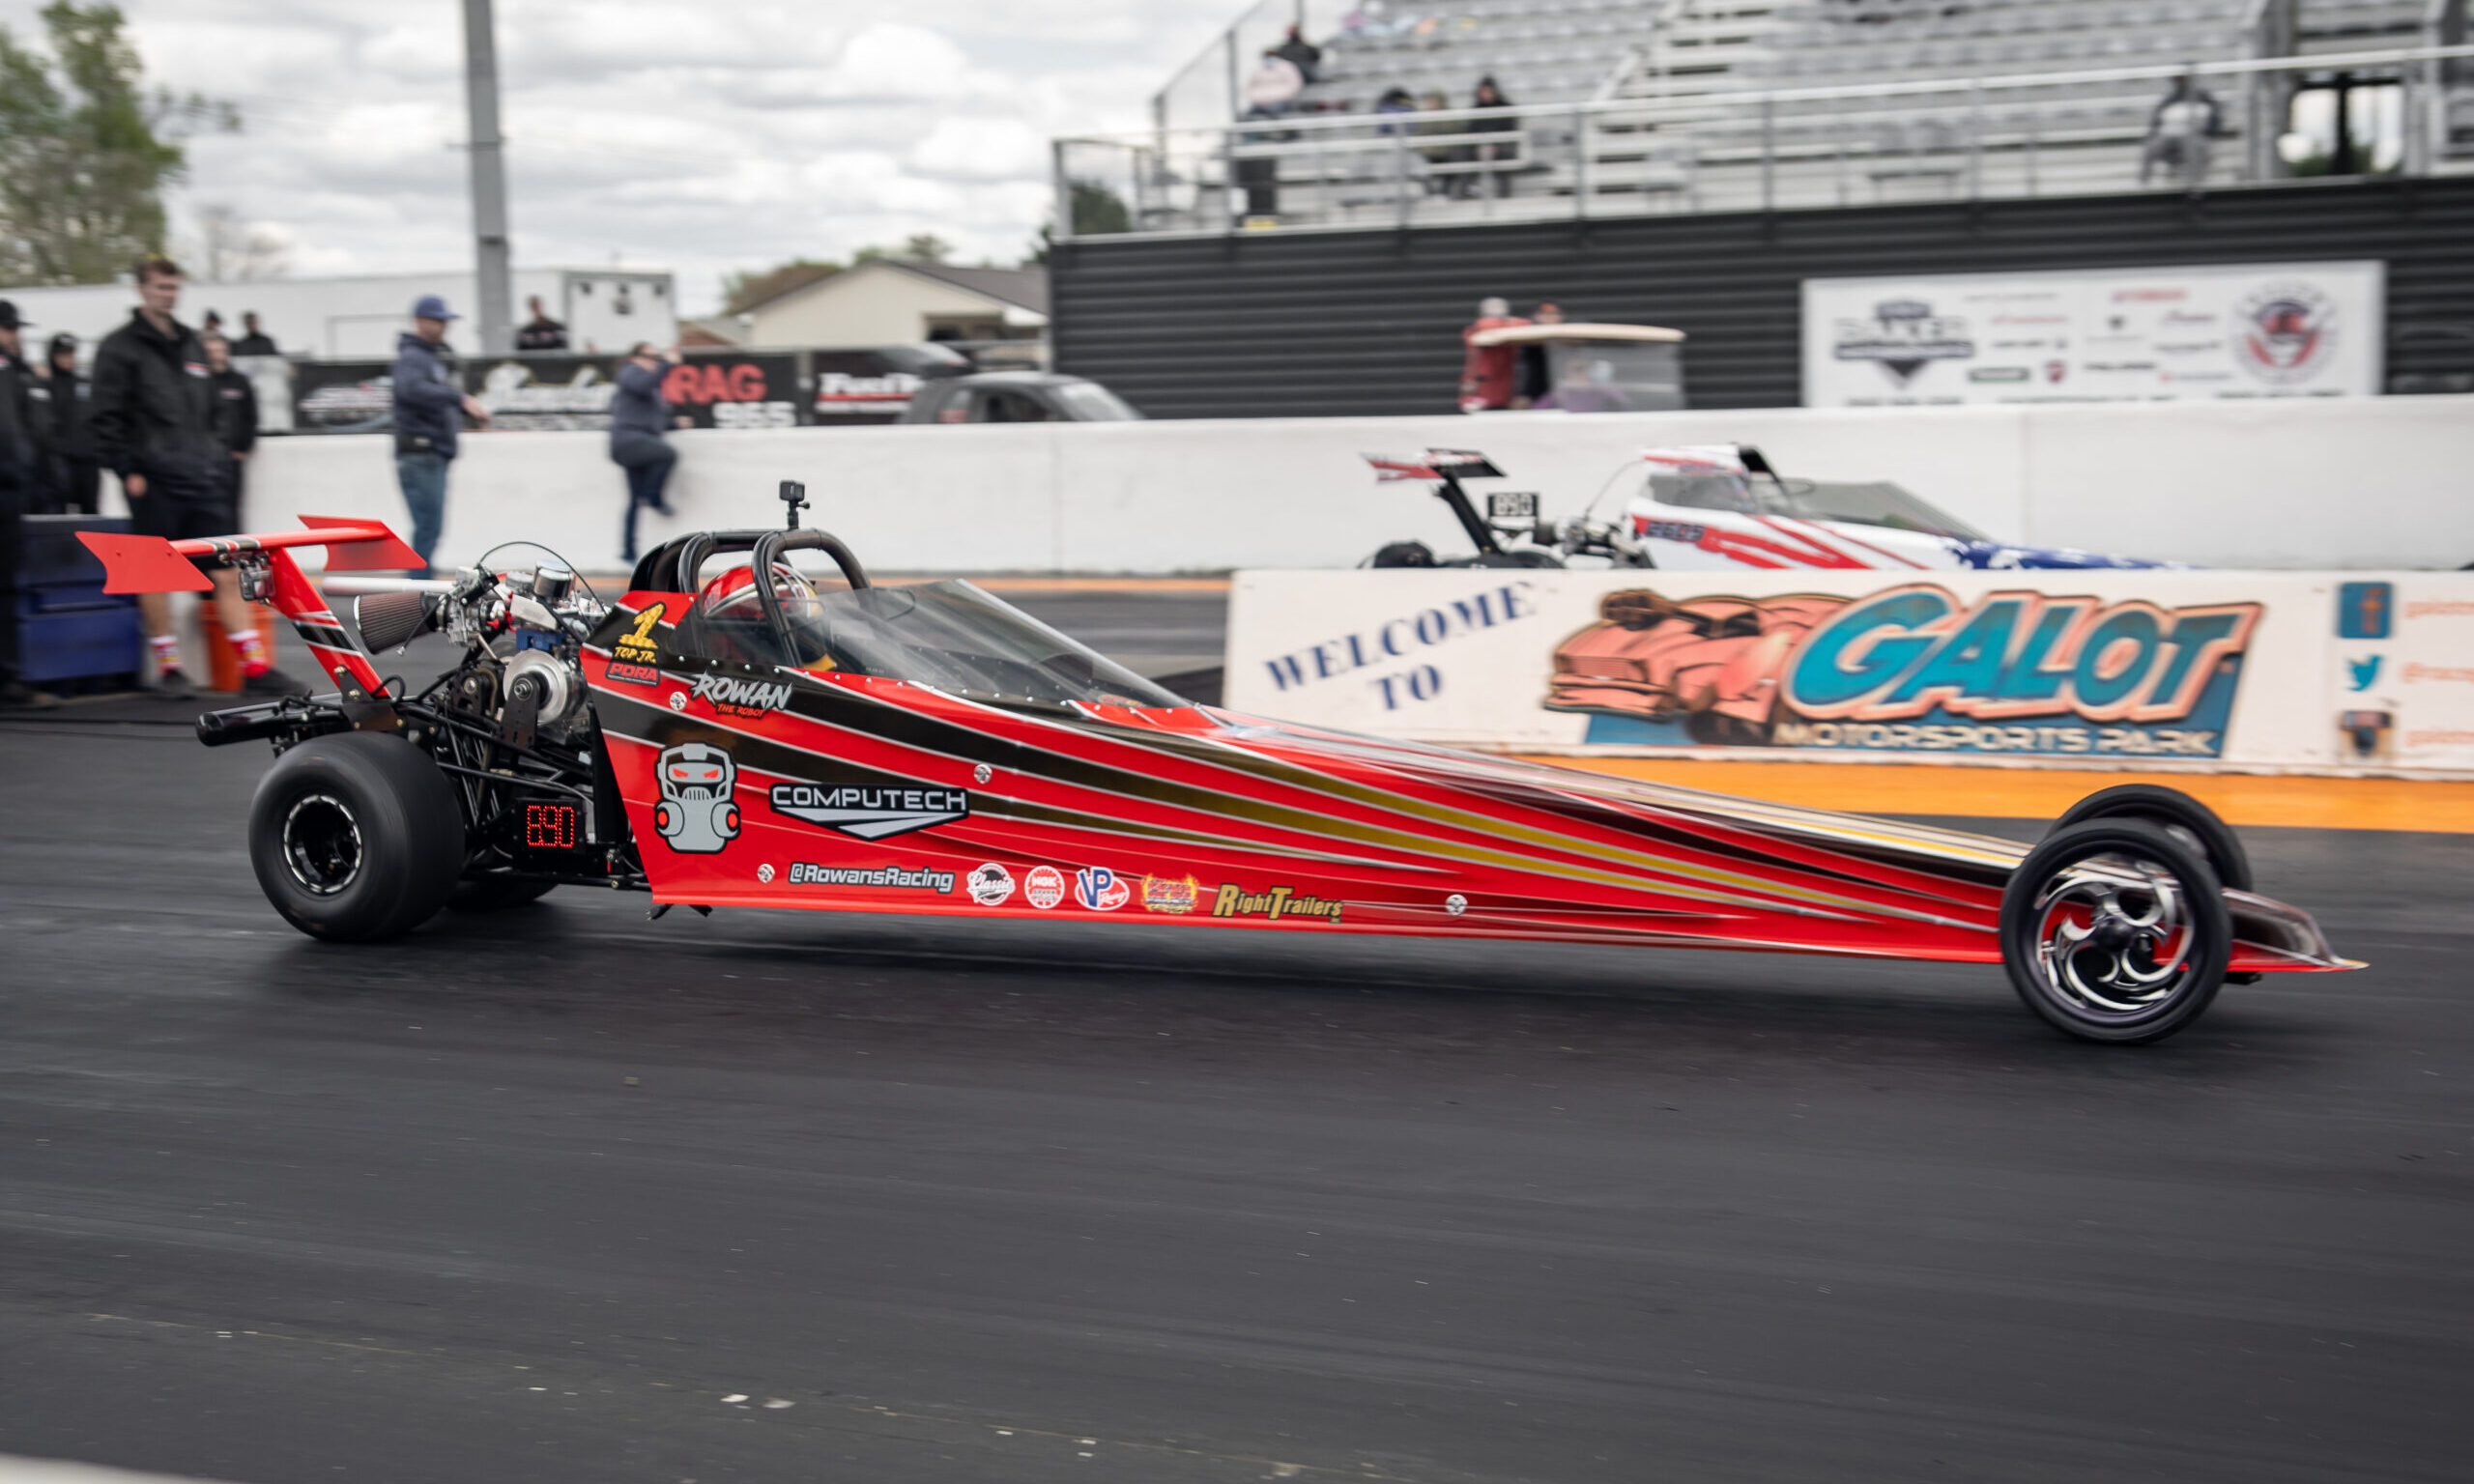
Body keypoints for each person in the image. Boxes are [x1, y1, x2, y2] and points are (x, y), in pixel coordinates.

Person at [90, 255, 300, 699]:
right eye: (160, 287)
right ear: (142, 289)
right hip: (153, 479)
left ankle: (254, 668)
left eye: (173, 287)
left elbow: (213, 409)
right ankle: (169, 669)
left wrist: (217, 460)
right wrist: (128, 468)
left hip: (204, 477)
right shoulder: (118, 348)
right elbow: (105, 418)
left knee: (227, 571)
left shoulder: (192, 344)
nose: (168, 294)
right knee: (154, 575)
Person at [389, 293, 491, 572]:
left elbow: (427, 395)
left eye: (444, 321)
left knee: (429, 529)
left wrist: (460, 407)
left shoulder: (428, 356)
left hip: (430, 453)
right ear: (420, 321)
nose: (443, 326)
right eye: (437, 320)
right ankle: (416, 597)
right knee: (427, 529)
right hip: (421, 453)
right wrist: (458, 399)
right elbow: (411, 390)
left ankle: (417, 592)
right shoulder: (414, 356)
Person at [0, 300, 56, 708]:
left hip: (11, 490)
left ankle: (9, 676)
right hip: (8, 485)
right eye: (9, 328)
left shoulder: (15, 373)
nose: (15, 336)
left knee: (7, 587)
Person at [610, 342, 681, 565]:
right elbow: (643, 385)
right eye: (651, 357)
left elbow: (652, 421)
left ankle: (628, 550)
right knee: (667, 454)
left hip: (639, 442)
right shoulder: (631, 373)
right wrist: (668, 364)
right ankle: (654, 496)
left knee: (634, 500)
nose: (656, 362)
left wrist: (674, 423)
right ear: (635, 358)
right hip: (629, 441)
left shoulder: (649, 389)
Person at [34, 333, 100, 516]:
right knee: (58, 514)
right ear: (53, 357)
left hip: (88, 462)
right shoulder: (44, 386)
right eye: (63, 355)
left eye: (71, 354)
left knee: (91, 513)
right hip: (61, 462)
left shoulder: (84, 383)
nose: (68, 359)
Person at [204, 334, 258, 522]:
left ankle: (233, 550)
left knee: (231, 510)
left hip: (231, 460)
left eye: (220, 351)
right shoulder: (198, 384)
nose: (217, 356)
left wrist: (243, 448)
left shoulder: (239, 382)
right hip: (202, 461)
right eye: (211, 352)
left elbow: (250, 417)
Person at [2142, 72, 2224, 187]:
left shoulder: (2203, 97)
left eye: (2184, 79)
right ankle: (2144, 182)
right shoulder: (2169, 100)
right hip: (2169, 136)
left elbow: (2215, 120)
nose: (2181, 83)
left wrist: (2207, 134)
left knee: (2191, 144)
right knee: (2150, 147)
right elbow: (2156, 123)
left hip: (2194, 135)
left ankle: (2194, 184)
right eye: (2178, 80)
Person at [1466, 76, 1519, 199]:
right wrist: (1478, 147)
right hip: (1480, 148)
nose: (1486, 94)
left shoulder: (1506, 107)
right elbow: (1470, 133)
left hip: (1502, 147)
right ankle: (1468, 192)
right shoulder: (1476, 109)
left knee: (1505, 157)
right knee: (1464, 155)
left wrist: (1495, 147)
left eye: (1488, 91)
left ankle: (1505, 195)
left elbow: (1510, 133)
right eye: (1483, 91)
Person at [1514, 300, 1564, 406]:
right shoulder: (1530, 337)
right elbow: (1525, 368)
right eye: (1545, 314)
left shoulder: (1567, 336)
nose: (1549, 318)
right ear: (1537, 316)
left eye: (1553, 314)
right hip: (1536, 391)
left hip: (1562, 389)